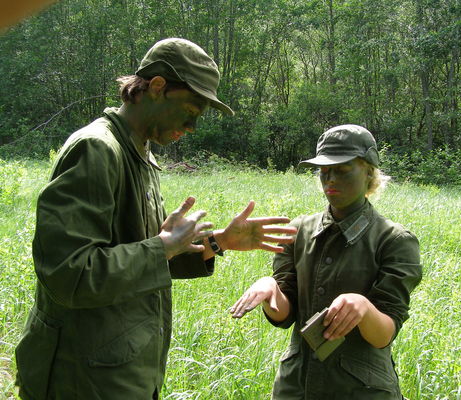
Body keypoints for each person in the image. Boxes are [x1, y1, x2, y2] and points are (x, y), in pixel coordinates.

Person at [15, 38, 296, 400]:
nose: (193, 125)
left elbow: (142, 257)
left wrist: (218, 242)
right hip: (80, 377)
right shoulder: (98, 149)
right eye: (191, 109)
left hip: (119, 371)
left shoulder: (138, 152)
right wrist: (162, 246)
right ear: (158, 87)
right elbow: (69, 274)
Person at [231, 125, 422, 399]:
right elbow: (285, 316)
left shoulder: (394, 240)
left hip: (361, 390)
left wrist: (364, 308)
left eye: (343, 169)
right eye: (323, 171)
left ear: (369, 172)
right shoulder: (297, 232)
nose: (330, 179)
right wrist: (270, 290)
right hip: (297, 386)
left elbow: (384, 334)